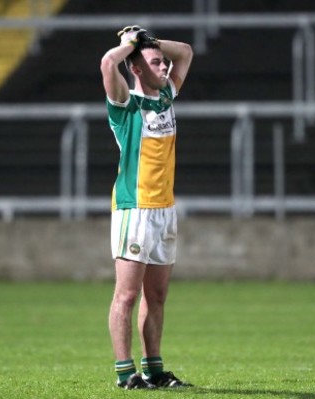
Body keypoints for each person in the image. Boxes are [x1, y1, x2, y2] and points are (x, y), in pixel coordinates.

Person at [100, 25, 194, 390]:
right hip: (134, 209)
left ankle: (154, 369)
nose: (166, 67)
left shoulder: (167, 97)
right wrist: (130, 45)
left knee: (156, 296)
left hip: (164, 209)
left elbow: (184, 51)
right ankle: (126, 374)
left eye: (163, 63)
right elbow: (109, 63)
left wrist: (151, 43)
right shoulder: (127, 105)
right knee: (126, 294)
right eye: (157, 63)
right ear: (137, 70)